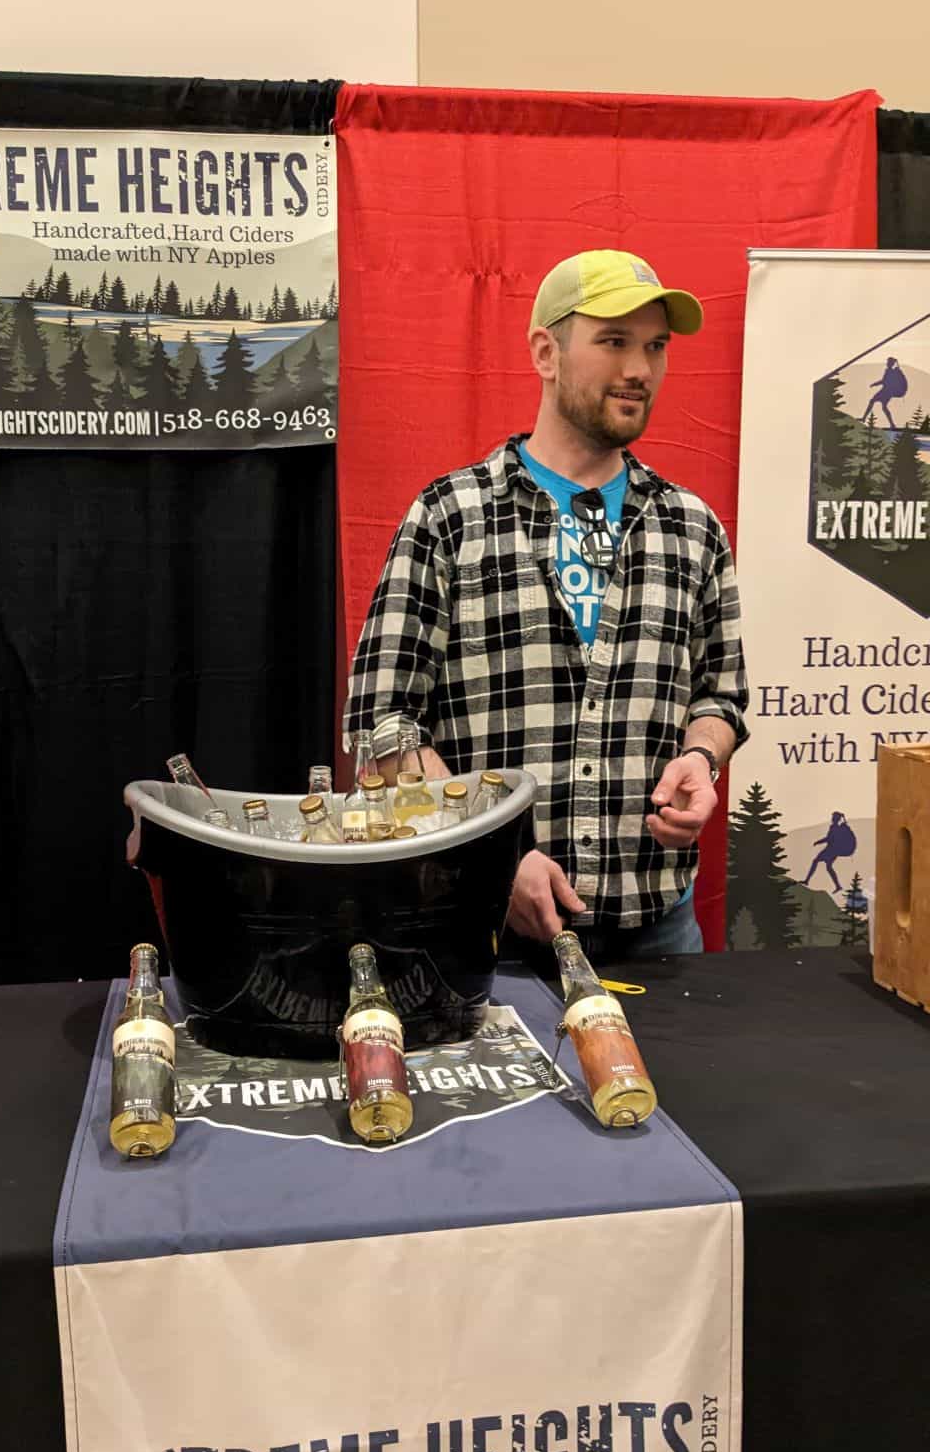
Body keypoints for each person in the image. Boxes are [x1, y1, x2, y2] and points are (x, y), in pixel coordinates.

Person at [343, 249, 749, 972]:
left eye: (655, 346)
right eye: (614, 341)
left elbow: (721, 695)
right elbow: (381, 724)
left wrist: (700, 757)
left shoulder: (692, 527)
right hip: (485, 937)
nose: (640, 369)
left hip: (658, 932)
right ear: (546, 352)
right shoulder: (452, 518)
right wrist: (490, 848)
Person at [803, 811, 856, 894]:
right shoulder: (838, 827)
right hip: (834, 850)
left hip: (831, 850)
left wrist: (818, 842)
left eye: (833, 817)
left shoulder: (834, 827)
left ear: (836, 819)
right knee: (828, 867)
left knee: (815, 861)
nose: (832, 819)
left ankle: (807, 880)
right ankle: (838, 886)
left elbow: (829, 838)